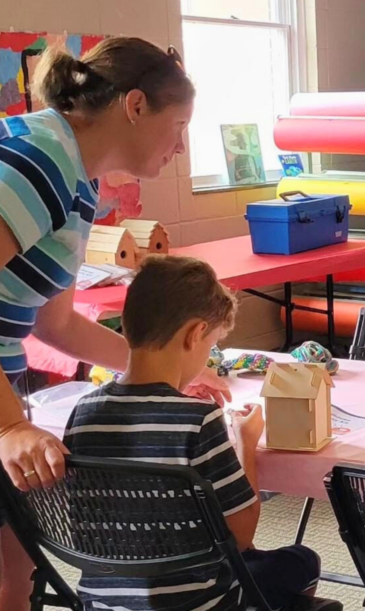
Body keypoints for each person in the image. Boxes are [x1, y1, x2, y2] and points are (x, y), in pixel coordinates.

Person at [0, 38, 230, 611]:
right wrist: (6, 428)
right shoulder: (41, 159)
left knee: (18, 572)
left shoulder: (80, 179)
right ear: (136, 106)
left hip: (0, 379)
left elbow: (58, 324)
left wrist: (159, 370)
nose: (180, 145)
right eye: (180, 124)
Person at [64, 256, 321, 611]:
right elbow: (241, 535)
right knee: (301, 560)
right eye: (211, 344)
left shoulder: (84, 412)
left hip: (104, 602)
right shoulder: (198, 419)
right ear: (195, 334)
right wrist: (245, 443)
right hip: (199, 602)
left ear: (126, 322)